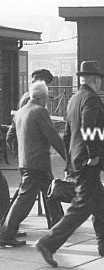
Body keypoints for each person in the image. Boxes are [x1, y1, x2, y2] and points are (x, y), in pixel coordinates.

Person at [35, 61, 104, 267]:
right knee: (81, 207)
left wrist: (69, 161)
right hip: (88, 160)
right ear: (95, 79)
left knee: (101, 205)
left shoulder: (74, 98)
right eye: (99, 79)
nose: (100, 82)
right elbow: (87, 125)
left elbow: (67, 132)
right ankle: (48, 243)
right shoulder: (91, 98)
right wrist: (93, 154)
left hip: (77, 158)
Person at [0, 81, 65, 247]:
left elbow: (10, 137)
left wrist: (20, 153)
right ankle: (6, 233)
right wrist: (69, 158)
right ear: (43, 97)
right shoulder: (40, 111)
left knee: (51, 192)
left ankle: (58, 226)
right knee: (25, 199)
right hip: (38, 163)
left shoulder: (20, 112)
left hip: (27, 163)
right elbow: (53, 137)